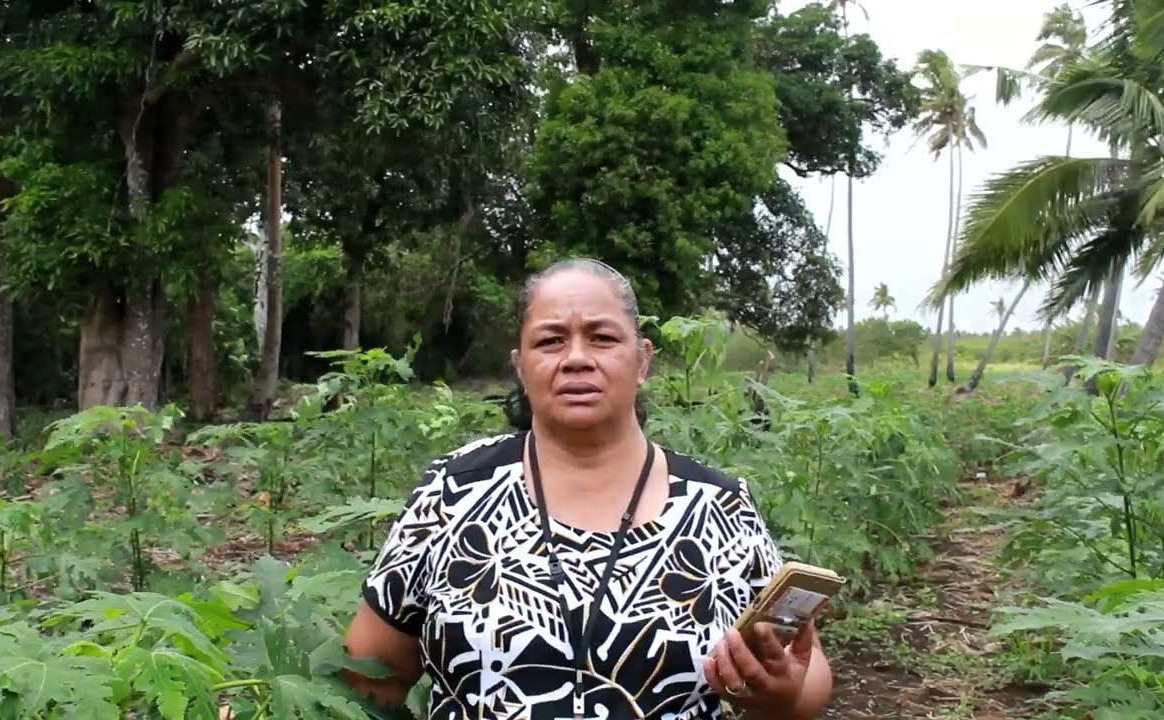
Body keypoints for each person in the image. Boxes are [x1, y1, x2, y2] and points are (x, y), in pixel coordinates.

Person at [344, 258, 833, 719]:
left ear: (642, 361)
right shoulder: (453, 492)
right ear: (520, 365)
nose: (577, 358)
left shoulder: (720, 506)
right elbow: (371, 677)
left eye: (602, 338)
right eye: (551, 341)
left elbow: (805, 676)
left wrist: (781, 695)